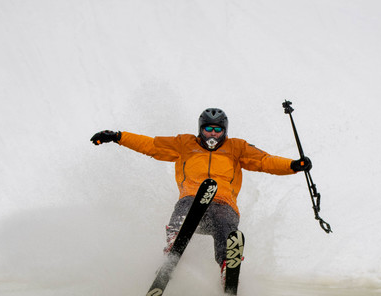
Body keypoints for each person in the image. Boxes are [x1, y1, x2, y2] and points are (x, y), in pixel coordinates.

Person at [90, 107, 311, 270]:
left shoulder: (237, 147)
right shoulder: (185, 144)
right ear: (200, 130)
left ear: (224, 131)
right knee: (187, 202)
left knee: (225, 221)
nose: (212, 135)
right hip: (193, 202)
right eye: (207, 130)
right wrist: (118, 137)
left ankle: (227, 264)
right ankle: (174, 243)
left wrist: (293, 165)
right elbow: (151, 145)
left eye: (217, 130)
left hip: (223, 205)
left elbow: (265, 161)